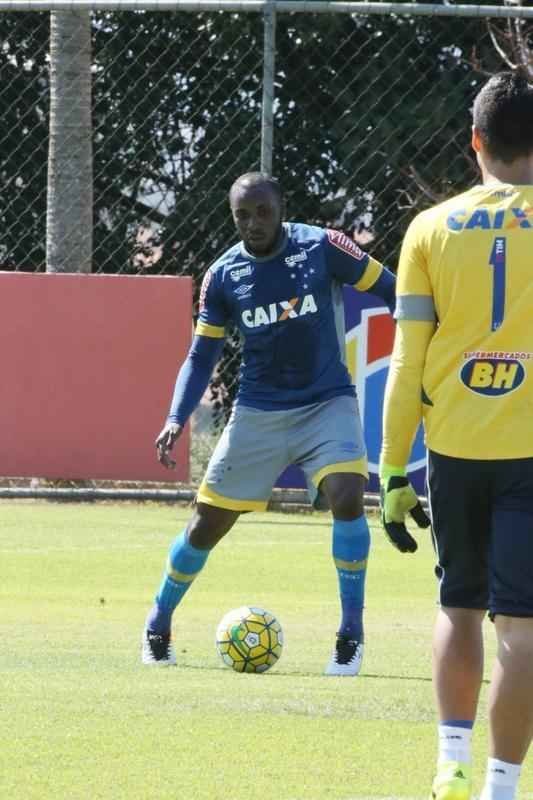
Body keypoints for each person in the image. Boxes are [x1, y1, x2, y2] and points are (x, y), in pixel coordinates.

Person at [142, 171, 396, 676]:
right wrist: (176, 415)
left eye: (262, 212)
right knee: (206, 525)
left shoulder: (324, 247)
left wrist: (421, 351)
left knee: (348, 493)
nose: (253, 223)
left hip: (327, 401)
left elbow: (392, 289)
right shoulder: (224, 275)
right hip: (258, 410)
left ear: (281, 208)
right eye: (242, 215)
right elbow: (201, 355)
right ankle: (157, 624)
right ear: (232, 216)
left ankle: (350, 634)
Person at [379, 70, 533, 800]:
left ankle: (449, 761)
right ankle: (501, 787)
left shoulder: (428, 228)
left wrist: (390, 474)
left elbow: (407, 358)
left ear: (475, 141)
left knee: (457, 606)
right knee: (523, 629)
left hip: (452, 450)